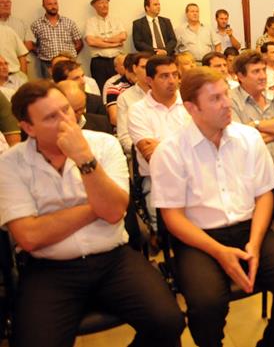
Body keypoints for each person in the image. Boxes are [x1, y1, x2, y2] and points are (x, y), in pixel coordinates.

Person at [0, 80, 185, 347]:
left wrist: (84, 159)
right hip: (50, 269)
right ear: (28, 127)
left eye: (66, 109)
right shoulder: (10, 164)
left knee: (168, 322)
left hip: (113, 258)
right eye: (51, 117)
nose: (67, 120)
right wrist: (96, 208)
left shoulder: (103, 145)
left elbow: (114, 212)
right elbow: (29, 236)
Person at [150, 67, 274, 347]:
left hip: (250, 228)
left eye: (226, 94)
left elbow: (264, 195)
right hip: (198, 239)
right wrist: (219, 252)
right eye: (215, 99)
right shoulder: (170, 151)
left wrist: (255, 243)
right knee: (206, 304)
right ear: (191, 108)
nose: (227, 104)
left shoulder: (248, 138)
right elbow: (172, 217)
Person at [128, 56, 190, 227]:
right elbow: (152, 155)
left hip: (196, 175)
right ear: (149, 80)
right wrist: (188, 147)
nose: (172, 81)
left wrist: (162, 145)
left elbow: (207, 143)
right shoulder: (138, 111)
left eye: (175, 75)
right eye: (164, 76)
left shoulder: (190, 103)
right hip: (158, 180)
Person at [229, 50, 274, 162]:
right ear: (241, 76)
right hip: (252, 167)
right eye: (256, 71)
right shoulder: (230, 100)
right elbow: (241, 142)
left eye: (264, 70)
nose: (263, 76)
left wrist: (256, 125)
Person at [27, 0, 83, 77]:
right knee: (50, 85)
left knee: (70, 84)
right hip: (47, 64)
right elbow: (30, 45)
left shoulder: (69, 23)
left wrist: (70, 56)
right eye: (49, 4)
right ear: (43, 6)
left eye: (55, 3)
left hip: (68, 63)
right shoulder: (36, 25)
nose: (53, 7)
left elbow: (79, 43)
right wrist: (41, 54)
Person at [84, 0, 127, 92]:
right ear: (94, 6)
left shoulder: (117, 20)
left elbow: (123, 36)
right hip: (99, 62)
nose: (104, 5)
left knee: (120, 88)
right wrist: (115, 43)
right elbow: (91, 41)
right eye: (101, 3)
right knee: (101, 89)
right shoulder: (90, 22)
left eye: (106, 2)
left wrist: (102, 40)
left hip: (117, 60)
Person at [116, 52, 152, 155]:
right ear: (135, 68)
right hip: (140, 154)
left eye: (150, 68)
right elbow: (124, 137)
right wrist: (145, 150)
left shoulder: (164, 94)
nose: (148, 71)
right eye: (143, 67)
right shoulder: (125, 97)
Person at [103, 54, 131, 126]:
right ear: (116, 68)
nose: (126, 67)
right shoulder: (111, 83)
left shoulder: (140, 83)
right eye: (123, 65)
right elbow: (106, 106)